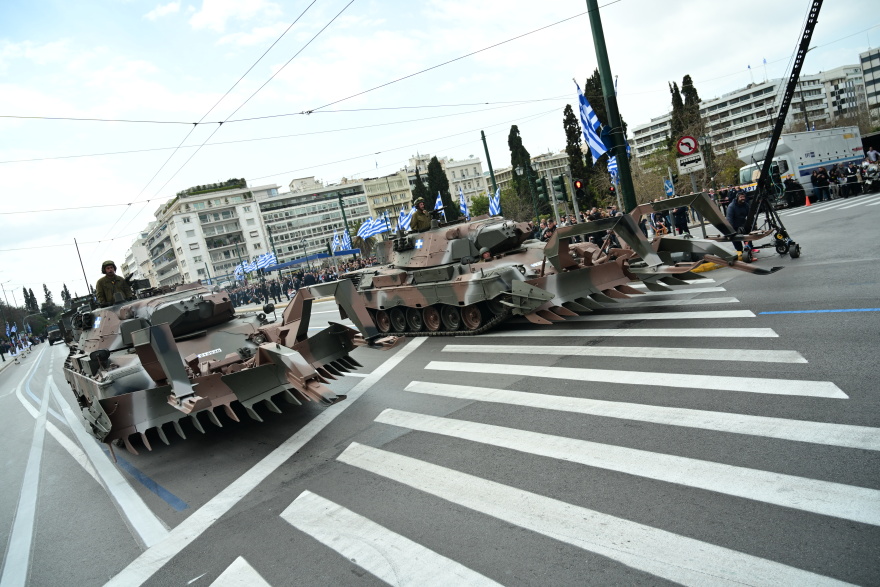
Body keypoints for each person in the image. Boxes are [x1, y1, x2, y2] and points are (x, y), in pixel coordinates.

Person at [725, 191, 751, 260]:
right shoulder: (731, 206)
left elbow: (750, 215)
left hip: (743, 223)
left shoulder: (746, 205)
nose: (743, 198)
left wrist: (753, 224)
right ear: (737, 198)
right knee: (736, 239)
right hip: (734, 225)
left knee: (748, 236)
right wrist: (731, 230)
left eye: (744, 197)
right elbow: (729, 218)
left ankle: (749, 248)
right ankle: (740, 251)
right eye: (741, 197)